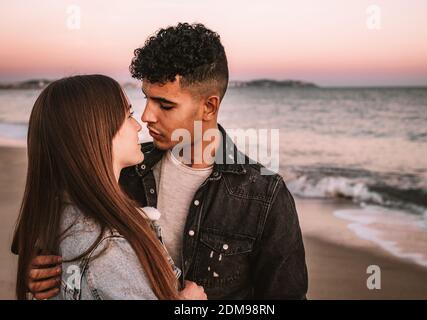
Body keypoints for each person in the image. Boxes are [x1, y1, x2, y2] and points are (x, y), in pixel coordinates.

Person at [25, 23, 308, 299]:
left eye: (165, 105)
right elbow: (73, 252)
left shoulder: (264, 195)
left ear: (209, 107)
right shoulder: (120, 167)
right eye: (146, 99)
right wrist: (50, 277)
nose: (146, 116)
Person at [11, 75, 206, 300]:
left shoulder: (57, 216)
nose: (138, 123)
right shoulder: (107, 247)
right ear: (96, 132)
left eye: (165, 105)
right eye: (128, 115)